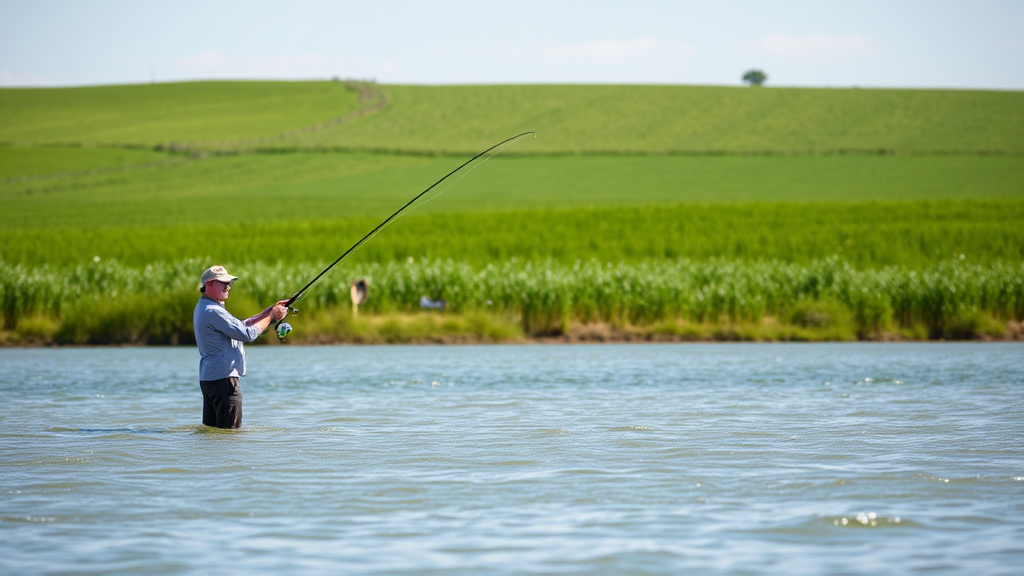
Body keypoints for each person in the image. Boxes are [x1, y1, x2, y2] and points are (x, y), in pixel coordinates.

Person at [193, 265, 288, 429]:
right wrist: (272, 316)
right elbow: (247, 335)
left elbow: (242, 326)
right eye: (223, 282)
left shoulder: (206, 307)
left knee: (212, 435)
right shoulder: (213, 311)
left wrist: (268, 312)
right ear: (208, 285)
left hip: (210, 379)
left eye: (229, 282)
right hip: (224, 381)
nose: (228, 285)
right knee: (230, 435)